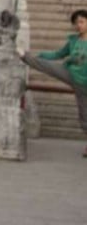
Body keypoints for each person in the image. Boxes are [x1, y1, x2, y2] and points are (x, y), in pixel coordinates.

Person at [20, 9, 87, 158]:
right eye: (77, 23)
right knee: (50, 67)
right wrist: (43, 55)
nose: (79, 25)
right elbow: (58, 54)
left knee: (85, 114)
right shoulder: (73, 40)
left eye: (82, 22)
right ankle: (24, 56)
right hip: (72, 74)